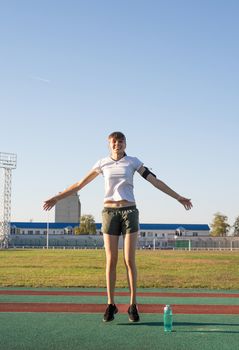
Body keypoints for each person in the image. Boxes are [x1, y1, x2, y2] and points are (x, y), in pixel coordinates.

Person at [43, 131, 192, 323]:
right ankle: (111, 304)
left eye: (120, 141)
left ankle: (133, 305)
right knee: (111, 260)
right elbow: (80, 184)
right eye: (114, 142)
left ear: (125, 144)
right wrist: (57, 197)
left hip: (129, 212)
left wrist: (178, 197)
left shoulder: (133, 162)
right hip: (109, 213)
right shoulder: (102, 163)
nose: (117, 144)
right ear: (109, 144)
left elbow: (155, 181)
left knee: (129, 260)